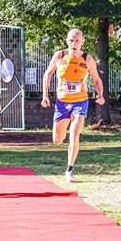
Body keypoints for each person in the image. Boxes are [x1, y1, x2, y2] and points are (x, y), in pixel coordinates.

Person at [41, 29, 105, 183]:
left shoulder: (87, 59)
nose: (74, 44)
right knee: (57, 139)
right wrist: (45, 95)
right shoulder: (59, 56)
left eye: (77, 41)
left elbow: (97, 79)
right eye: (71, 40)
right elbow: (47, 73)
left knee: (74, 135)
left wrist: (100, 94)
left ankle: (69, 170)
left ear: (82, 42)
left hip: (80, 101)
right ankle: (63, 126)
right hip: (62, 102)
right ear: (67, 41)